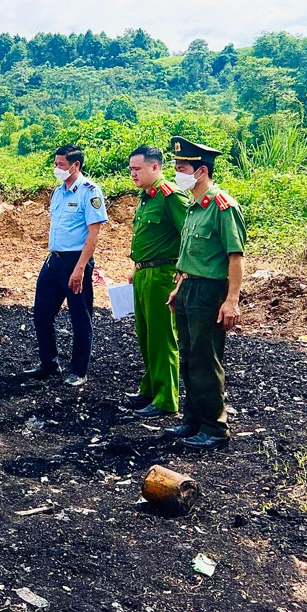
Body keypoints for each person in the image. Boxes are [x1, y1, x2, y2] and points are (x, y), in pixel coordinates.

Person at [165, 137, 246, 450]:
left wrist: (231, 301)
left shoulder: (222, 206)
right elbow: (191, 256)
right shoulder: (192, 207)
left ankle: (214, 428)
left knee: (205, 359)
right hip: (189, 288)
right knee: (188, 357)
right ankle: (193, 420)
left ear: (200, 171)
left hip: (210, 291)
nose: (177, 172)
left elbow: (235, 257)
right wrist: (179, 287)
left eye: (181, 167)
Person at [23, 144, 108, 387]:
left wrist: (80, 268)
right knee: (41, 313)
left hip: (76, 260)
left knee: (80, 316)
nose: (57, 168)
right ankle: (49, 363)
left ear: (75, 165)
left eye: (61, 164)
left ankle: (78, 370)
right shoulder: (58, 192)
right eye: (56, 164)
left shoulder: (89, 192)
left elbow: (93, 235)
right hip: (54, 259)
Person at [126, 145, 190, 419]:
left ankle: (166, 399)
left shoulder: (169, 197)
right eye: (130, 170)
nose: (133, 174)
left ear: (155, 167)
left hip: (162, 275)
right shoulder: (146, 197)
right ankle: (150, 389)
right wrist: (135, 267)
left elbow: (189, 235)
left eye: (137, 169)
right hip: (143, 274)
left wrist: (184, 272)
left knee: (163, 338)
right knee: (146, 336)